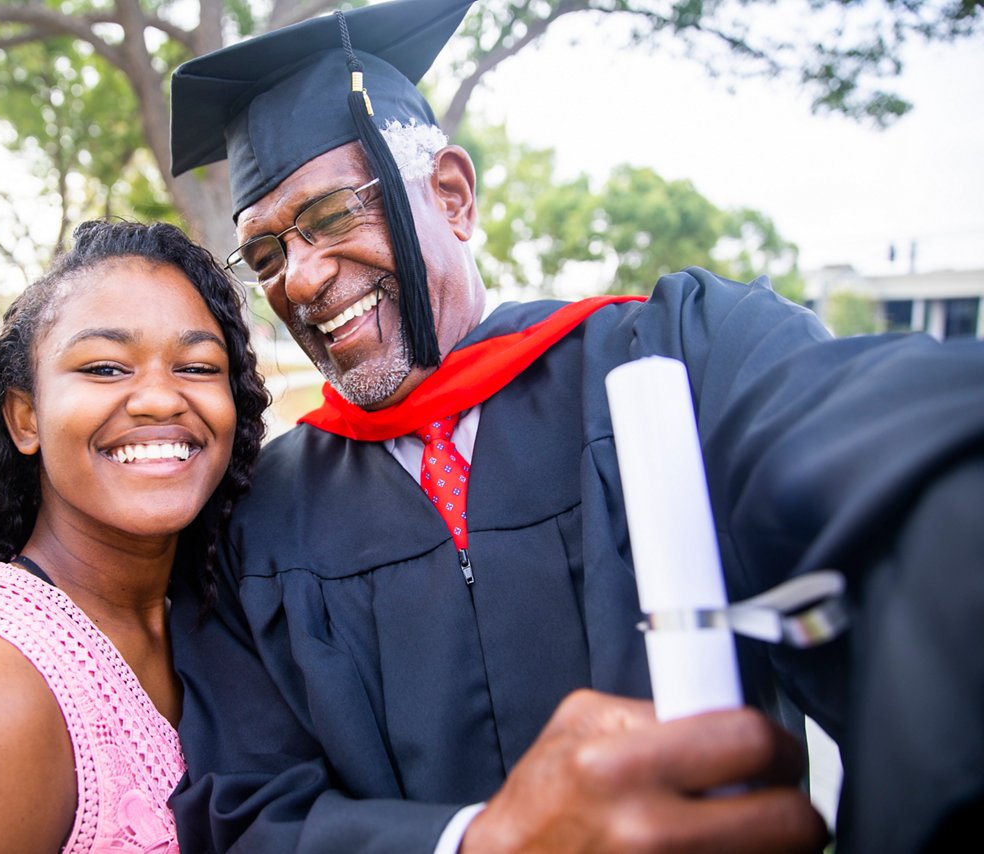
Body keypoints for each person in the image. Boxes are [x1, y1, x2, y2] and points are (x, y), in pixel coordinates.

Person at [163, 0, 984, 851]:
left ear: (451, 196)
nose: (300, 278)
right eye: (265, 255)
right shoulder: (256, 520)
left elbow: (891, 462)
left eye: (332, 216)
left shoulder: (678, 357)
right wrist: (480, 841)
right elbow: (248, 815)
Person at [0, 219, 270, 853]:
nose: (159, 399)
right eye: (103, 367)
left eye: (198, 366)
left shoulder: (220, 615)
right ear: (25, 417)